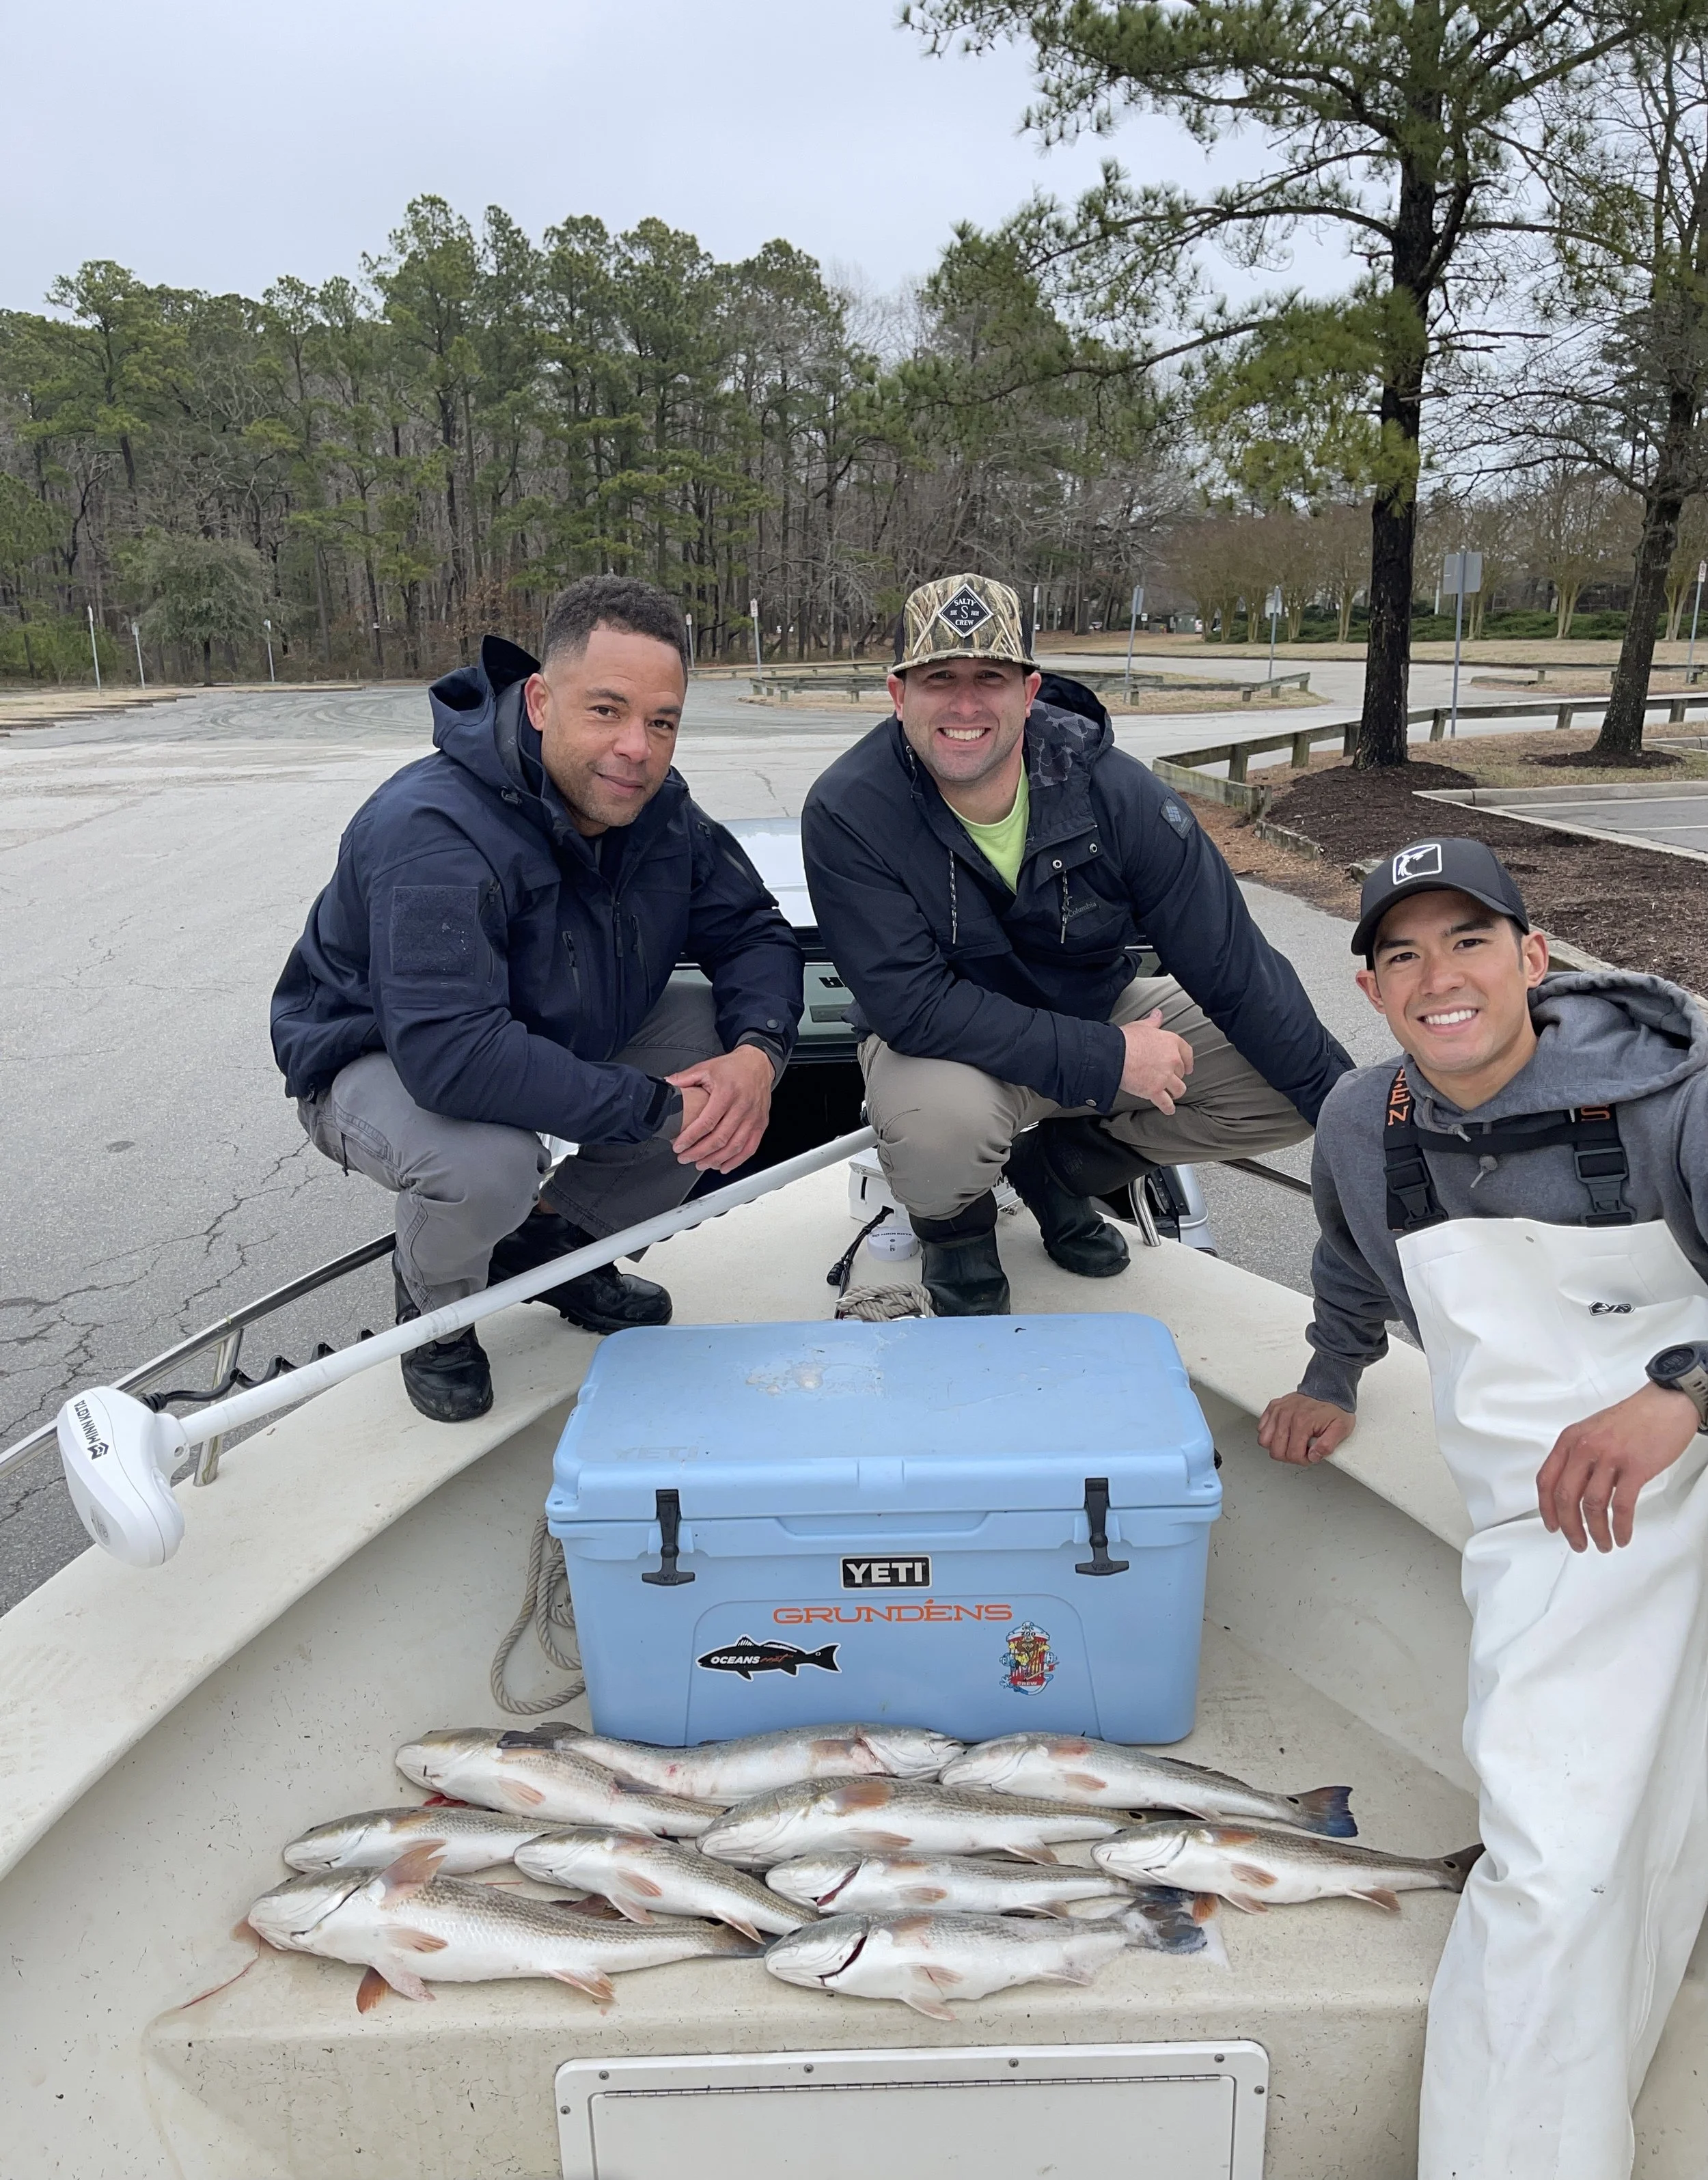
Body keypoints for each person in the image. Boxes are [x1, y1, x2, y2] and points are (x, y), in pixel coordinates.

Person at [1258, 836, 1708, 2180]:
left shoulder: (1672, 1097)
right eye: (1400, 951)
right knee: (1556, 1842)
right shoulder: (1361, 1120)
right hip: (1553, 1527)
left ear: (1530, 957)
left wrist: (1675, 1393)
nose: (1433, 975)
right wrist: (1329, 1374)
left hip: (1680, 1431)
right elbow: (1348, 1255)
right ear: (1367, 983)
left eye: (1465, 940)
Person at [272, 576, 803, 1424]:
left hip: (544, 1028)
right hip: (377, 1060)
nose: (636, 746)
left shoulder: (659, 811)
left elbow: (753, 931)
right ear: (541, 700)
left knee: (718, 1048)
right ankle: (436, 1308)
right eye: (606, 710)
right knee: (486, 1161)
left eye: (661, 720)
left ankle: (549, 1240)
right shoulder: (430, 827)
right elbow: (452, 1054)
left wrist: (756, 1054)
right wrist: (653, 1103)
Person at [801, 570, 1351, 1314]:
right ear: (899, 696)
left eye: (989, 677)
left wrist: (1350, 1120)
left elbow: (1234, 968)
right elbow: (912, 1006)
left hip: (1094, 1008)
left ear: (1028, 692)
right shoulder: (848, 809)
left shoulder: (1118, 794)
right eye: (939, 679)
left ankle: (1059, 1170)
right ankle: (956, 1230)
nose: (964, 704)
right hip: (941, 1049)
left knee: (1284, 1085)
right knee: (940, 1132)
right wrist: (1110, 1058)